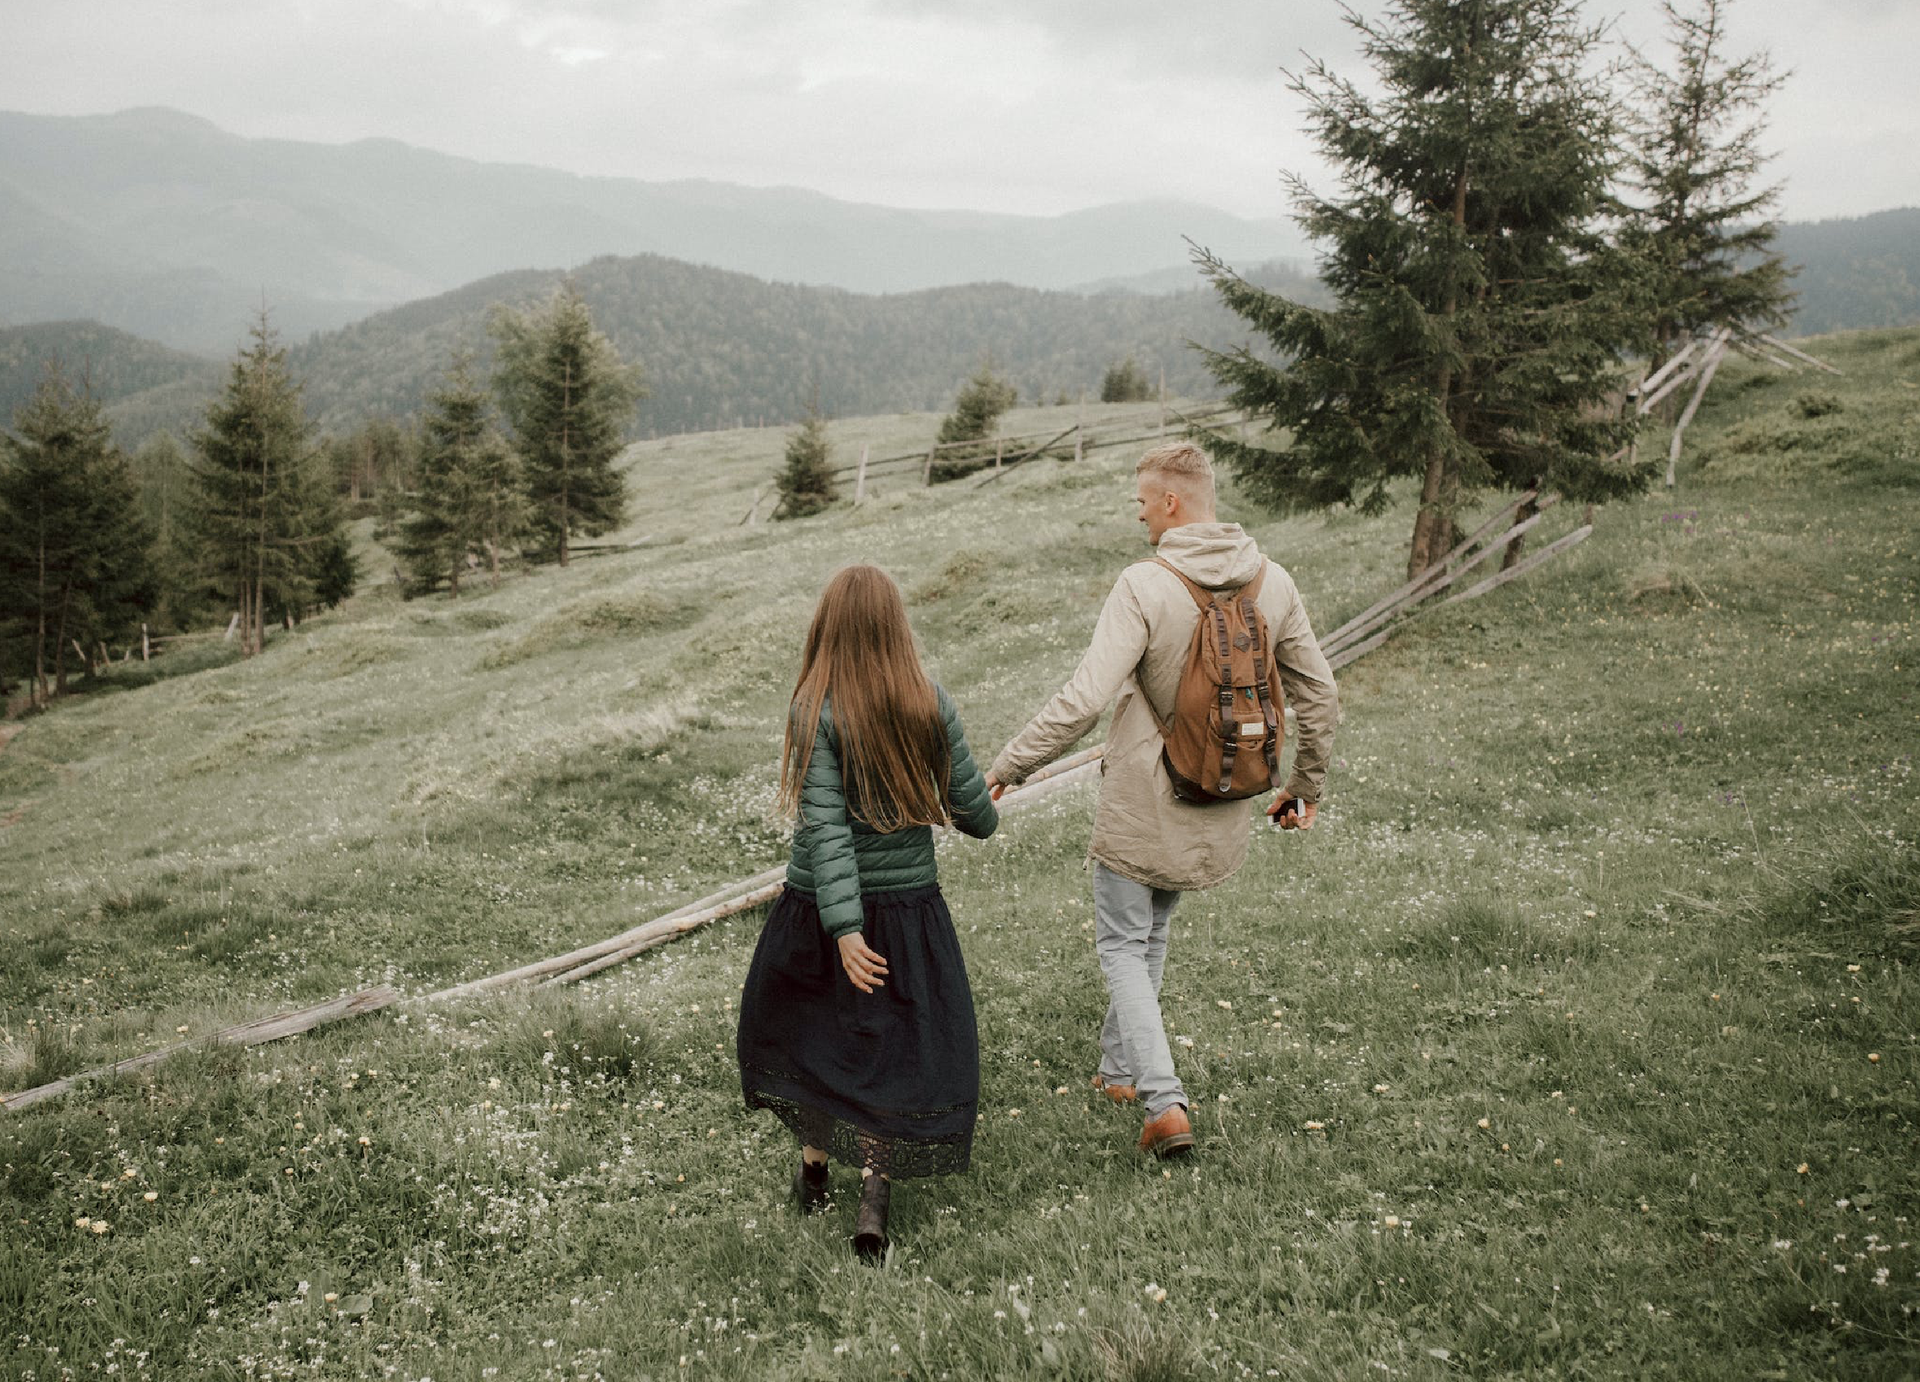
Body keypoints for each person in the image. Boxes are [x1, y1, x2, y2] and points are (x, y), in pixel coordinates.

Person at [985, 441, 1338, 1158]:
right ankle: (1120, 1071)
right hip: (1222, 789)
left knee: (1121, 942)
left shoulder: (1145, 583)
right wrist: (1304, 787)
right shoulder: (1275, 582)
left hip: (1145, 796)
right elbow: (1320, 696)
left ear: (1172, 501)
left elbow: (1084, 697)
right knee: (1152, 931)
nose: (1140, 514)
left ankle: (1163, 1101)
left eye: (1144, 500)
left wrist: (1010, 765)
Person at [736, 564, 999, 1261]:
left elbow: (825, 831)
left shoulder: (815, 707)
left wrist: (844, 929)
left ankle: (816, 1166)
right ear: (895, 627)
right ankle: (873, 1196)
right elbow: (979, 817)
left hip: (820, 913)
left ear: (830, 628)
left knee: (815, 1038)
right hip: (909, 916)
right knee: (890, 1048)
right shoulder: (928, 702)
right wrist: (965, 794)